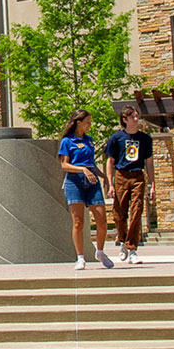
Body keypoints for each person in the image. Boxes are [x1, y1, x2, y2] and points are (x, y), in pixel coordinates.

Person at [58, 109, 114, 270]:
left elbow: (92, 164)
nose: (90, 125)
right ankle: (80, 257)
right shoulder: (67, 141)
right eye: (88, 122)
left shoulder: (89, 140)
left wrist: (105, 178)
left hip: (92, 179)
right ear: (79, 122)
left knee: (102, 220)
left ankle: (101, 252)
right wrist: (82, 170)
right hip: (74, 181)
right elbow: (64, 165)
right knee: (78, 222)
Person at [105, 106, 155, 265]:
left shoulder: (145, 139)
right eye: (132, 117)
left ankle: (132, 248)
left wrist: (152, 183)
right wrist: (110, 183)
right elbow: (110, 161)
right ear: (124, 119)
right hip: (121, 175)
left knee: (136, 210)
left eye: (137, 116)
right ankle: (122, 240)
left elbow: (149, 162)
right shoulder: (116, 138)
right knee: (119, 213)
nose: (136, 119)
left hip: (137, 175)